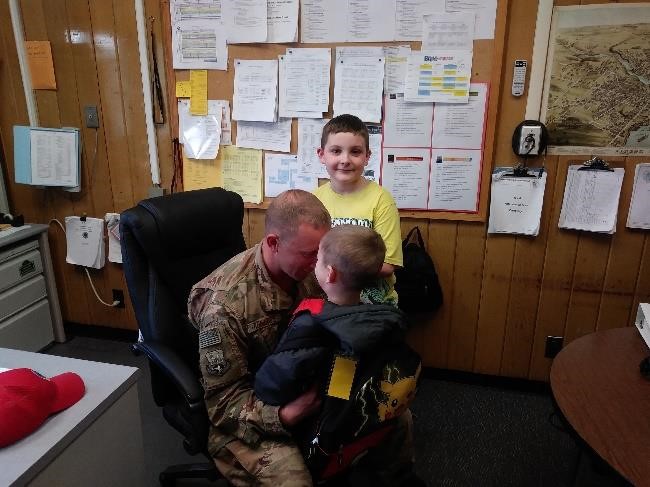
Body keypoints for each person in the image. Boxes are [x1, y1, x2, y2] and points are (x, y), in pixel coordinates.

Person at [254, 225, 420, 485]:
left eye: (318, 258)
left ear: (330, 273)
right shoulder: (380, 317)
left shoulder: (310, 324)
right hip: (356, 406)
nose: (314, 263)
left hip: (321, 421)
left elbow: (271, 385)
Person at [188, 189, 331, 486]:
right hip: (245, 416)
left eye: (323, 252)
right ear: (274, 243)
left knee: (391, 419)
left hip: (299, 380)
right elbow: (223, 405)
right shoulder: (225, 307)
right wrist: (285, 416)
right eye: (310, 254)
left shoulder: (307, 268)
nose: (319, 263)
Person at [314, 114, 403, 307]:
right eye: (336, 151)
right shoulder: (315, 201)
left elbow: (389, 264)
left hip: (375, 306)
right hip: (327, 303)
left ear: (367, 156)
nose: (345, 160)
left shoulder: (381, 200)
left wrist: (339, 272)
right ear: (321, 154)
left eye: (355, 152)